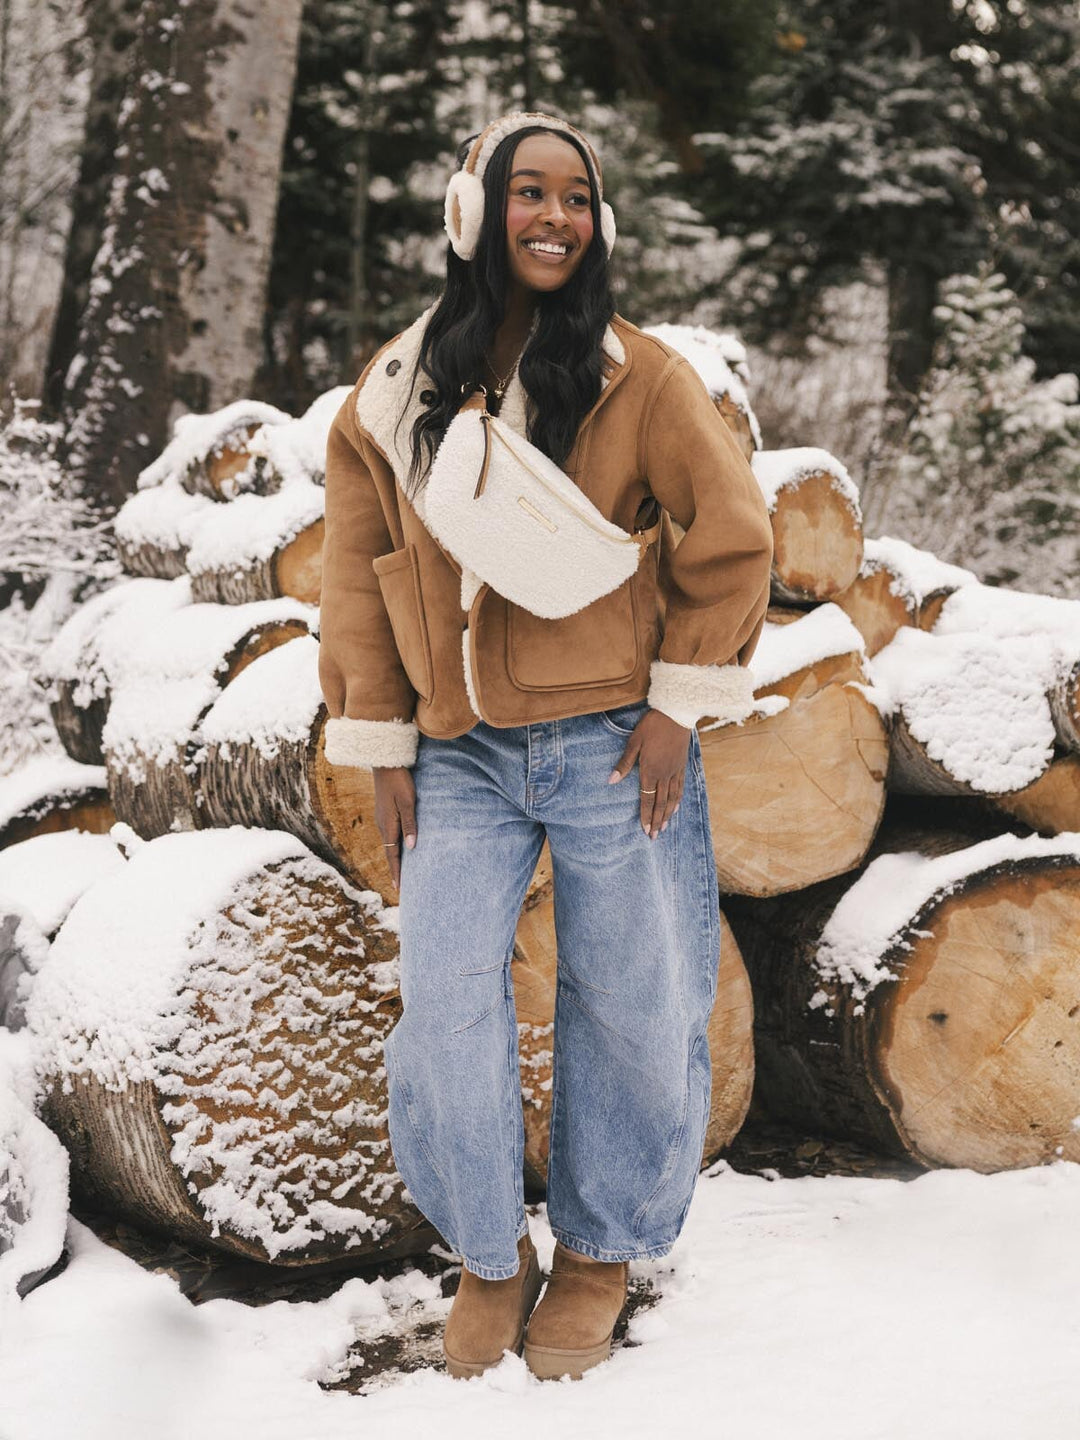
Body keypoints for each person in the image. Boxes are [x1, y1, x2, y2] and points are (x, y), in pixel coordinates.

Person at [318, 110, 774, 1382]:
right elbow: (360, 574)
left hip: (613, 749)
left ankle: (599, 1253)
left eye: (577, 198)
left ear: (601, 223)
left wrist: (680, 705)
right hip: (456, 751)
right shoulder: (395, 388)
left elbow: (734, 538)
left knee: (635, 1006)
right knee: (445, 1007)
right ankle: (486, 1254)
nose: (556, 218)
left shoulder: (644, 375)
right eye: (530, 193)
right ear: (473, 213)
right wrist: (380, 737)